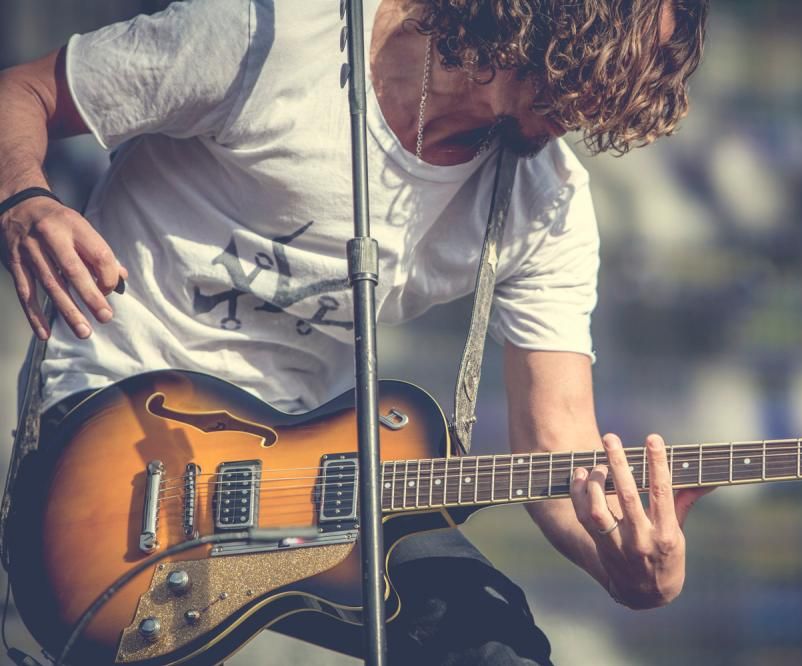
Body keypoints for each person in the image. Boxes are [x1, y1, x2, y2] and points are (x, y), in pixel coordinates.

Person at [0, 0, 711, 663]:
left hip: (312, 479)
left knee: (495, 645)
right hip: (121, 439)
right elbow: (21, 94)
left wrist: (627, 567)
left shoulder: (547, 201)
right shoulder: (273, 39)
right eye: (598, 65)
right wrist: (24, 199)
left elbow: (558, 449)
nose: (590, 108)